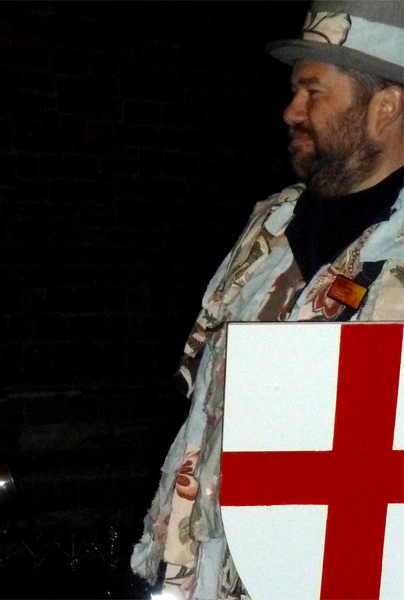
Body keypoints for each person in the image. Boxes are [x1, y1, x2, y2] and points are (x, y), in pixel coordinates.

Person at [131, 1, 403, 598]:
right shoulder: (271, 231)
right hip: (221, 568)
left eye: (314, 92)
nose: (291, 111)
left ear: (385, 106)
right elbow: (199, 411)